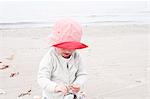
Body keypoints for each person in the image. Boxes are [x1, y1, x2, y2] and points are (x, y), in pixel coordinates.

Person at [37, 18, 88, 99]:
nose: (67, 50)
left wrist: (78, 84)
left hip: (71, 94)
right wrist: (55, 87)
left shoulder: (76, 57)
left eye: (71, 47)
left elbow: (82, 74)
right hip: (52, 96)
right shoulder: (50, 58)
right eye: (63, 47)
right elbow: (42, 78)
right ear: (55, 44)